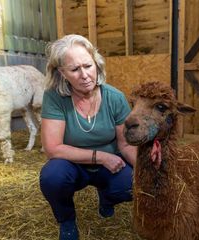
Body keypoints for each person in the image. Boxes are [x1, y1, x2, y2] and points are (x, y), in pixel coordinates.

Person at [39, 34, 137, 240]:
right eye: (75, 69)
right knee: (52, 177)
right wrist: (101, 157)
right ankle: (66, 221)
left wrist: (147, 171)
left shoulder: (115, 97)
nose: (84, 75)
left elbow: (125, 143)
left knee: (133, 185)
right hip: (73, 165)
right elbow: (53, 148)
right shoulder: (54, 97)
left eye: (88, 66)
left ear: (97, 64)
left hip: (112, 165)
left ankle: (107, 197)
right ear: (62, 73)